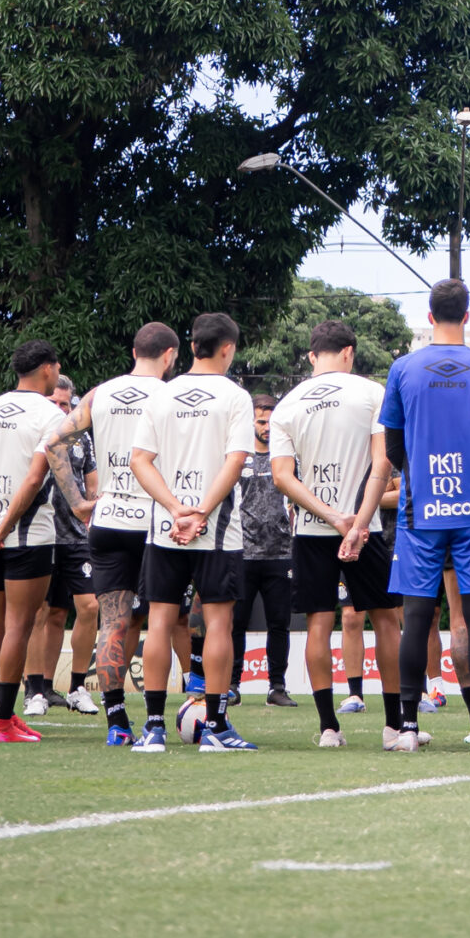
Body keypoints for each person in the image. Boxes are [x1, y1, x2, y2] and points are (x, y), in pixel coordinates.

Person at [367, 278, 470, 752]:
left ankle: (408, 729)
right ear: (467, 316)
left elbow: (392, 447)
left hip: (419, 507)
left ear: (429, 317)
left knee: (416, 616)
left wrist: (423, 478)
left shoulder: (403, 369)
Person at [46, 319, 181, 746]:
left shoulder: (99, 394)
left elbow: (54, 442)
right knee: (168, 618)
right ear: (170, 356)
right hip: (154, 523)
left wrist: (78, 503)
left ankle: (117, 722)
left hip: (107, 521)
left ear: (133, 352)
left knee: (115, 621)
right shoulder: (169, 394)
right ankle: (171, 715)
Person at [269, 318, 401, 747]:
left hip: (311, 529)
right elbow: (383, 464)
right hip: (366, 527)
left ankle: (328, 728)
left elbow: (283, 478)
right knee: (385, 620)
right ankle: (395, 726)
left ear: (312, 355)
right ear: (349, 352)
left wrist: (333, 518)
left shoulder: (287, 404)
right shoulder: (370, 393)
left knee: (318, 625)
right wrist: (358, 523)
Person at [130, 311, 257, 754]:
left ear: (192, 346)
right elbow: (236, 459)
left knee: (160, 623)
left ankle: (152, 730)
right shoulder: (234, 396)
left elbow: (139, 460)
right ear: (228, 348)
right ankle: (217, 729)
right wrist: (201, 511)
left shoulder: (161, 395)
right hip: (215, 527)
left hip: (165, 526)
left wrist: (173, 507)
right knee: (218, 623)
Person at [0, 338, 70, 742]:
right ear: (47, 369)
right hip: (27, 536)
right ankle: (3, 722)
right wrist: (2, 531)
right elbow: (34, 478)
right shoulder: (50, 415)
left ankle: (3, 715)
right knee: (19, 627)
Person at [24, 376, 98, 718]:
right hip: (39, 533)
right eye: (54, 402)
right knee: (42, 613)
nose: (60, 409)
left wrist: (90, 512)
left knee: (88, 607)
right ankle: (36, 689)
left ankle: (77, 686)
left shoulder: (82, 438)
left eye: (66, 404)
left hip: (75, 535)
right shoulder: (31, 432)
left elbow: (93, 479)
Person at [232, 391, 294, 710]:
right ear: (251, 422)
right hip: (242, 553)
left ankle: (277, 687)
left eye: (271, 420)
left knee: (279, 624)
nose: (267, 426)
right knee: (235, 624)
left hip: (280, 553)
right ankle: (232, 685)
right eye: (261, 420)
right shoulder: (238, 456)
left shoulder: (284, 458)